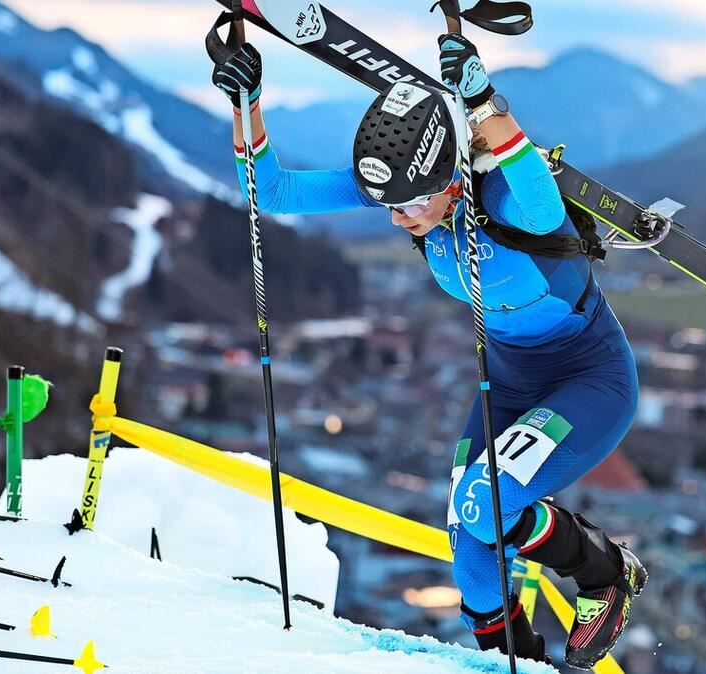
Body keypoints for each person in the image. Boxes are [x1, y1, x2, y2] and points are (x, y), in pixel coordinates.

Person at [211, 32, 646, 670]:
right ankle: (516, 665)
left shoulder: (504, 201)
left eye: (410, 204)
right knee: (470, 554)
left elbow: (542, 198)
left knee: (485, 504)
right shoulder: (408, 194)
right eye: (387, 205)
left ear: (450, 180)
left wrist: (484, 103)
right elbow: (272, 193)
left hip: (589, 379)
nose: (397, 219)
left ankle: (606, 575)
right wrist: (246, 102)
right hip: (510, 382)